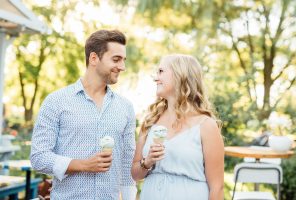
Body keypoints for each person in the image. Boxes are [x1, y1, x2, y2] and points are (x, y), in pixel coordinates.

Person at [30, 30, 137, 200]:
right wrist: (83, 165)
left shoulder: (126, 108)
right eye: (116, 59)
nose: (122, 67)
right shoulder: (56, 101)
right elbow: (39, 157)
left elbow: (127, 164)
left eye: (123, 60)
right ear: (94, 58)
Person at [131, 54, 224, 200]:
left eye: (161, 71)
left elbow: (217, 188)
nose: (156, 78)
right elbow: (135, 174)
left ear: (180, 75)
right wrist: (147, 161)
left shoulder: (206, 125)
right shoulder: (150, 121)